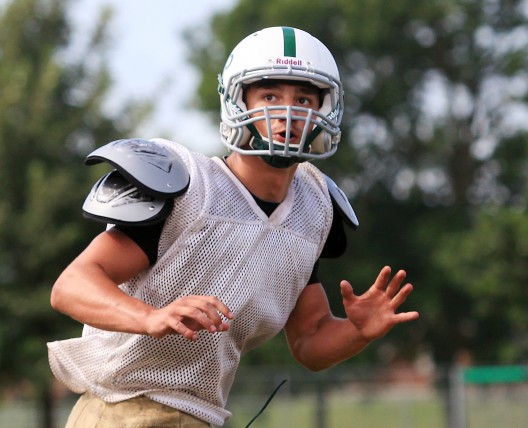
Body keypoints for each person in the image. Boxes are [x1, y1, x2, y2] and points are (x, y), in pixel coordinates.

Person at [48, 26, 419, 427]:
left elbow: (310, 339)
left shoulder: (313, 208)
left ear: (324, 110)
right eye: (271, 96)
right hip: (123, 410)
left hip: (202, 415)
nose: (288, 112)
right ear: (237, 100)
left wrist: (357, 332)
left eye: (304, 99)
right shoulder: (186, 185)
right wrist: (149, 317)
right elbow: (72, 285)